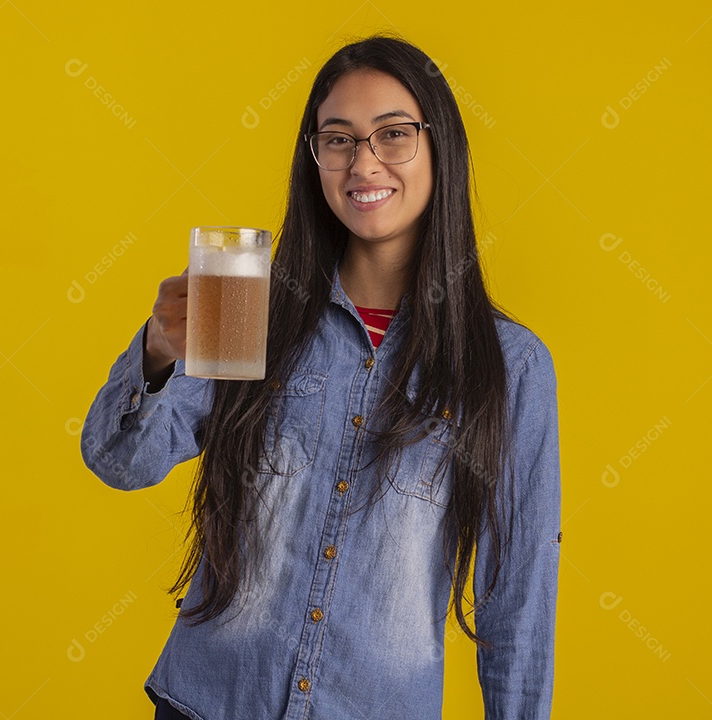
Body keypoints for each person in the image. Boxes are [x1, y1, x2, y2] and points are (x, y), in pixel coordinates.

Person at [80, 34, 562, 720]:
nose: (363, 162)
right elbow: (120, 461)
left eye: (393, 134)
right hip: (209, 702)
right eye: (337, 139)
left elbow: (518, 588)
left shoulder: (509, 364)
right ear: (314, 159)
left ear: (439, 146)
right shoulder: (249, 304)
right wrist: (157, 353)